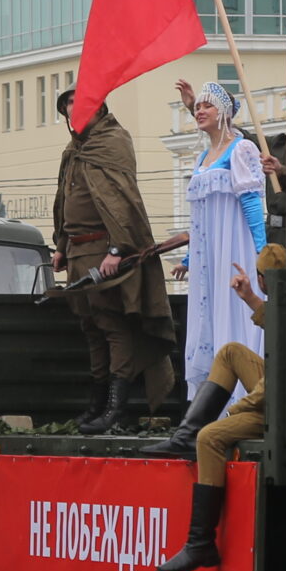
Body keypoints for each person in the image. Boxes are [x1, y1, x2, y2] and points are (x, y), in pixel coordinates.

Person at [140, 246, 286, 571]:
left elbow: (271, 387)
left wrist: (239, 410)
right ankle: (184, 437)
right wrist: (250, 297)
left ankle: (200, 542)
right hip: (278, 395)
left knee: (210, 438)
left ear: (263, 279)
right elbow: (275, 326)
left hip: (277, 405)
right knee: (231, 352)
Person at [52, 89, 179, 435]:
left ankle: (115, 410)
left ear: (98, 108)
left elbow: (121, 203)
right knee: (91, 328)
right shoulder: (74, 150)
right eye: (68, 110)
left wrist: (117, 249)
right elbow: (66, 199)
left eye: (78, 106)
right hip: (77, 252)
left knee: (113, 327)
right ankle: (97, 405)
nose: (72, 114)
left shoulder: (112, 142)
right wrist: (62, 246)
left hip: (103, 251)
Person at [172, 78, 266, 387]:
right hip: (209, 254)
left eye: (206, 105)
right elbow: (200, 216)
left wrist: (261, 250)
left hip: (234, 244)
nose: (199, 111)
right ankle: (214, 392)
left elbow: (252, 202)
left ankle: (242, 390)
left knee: (235, 308)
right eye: (196, 106)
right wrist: (189, 258)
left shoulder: (242, 149)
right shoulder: (202, 158)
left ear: (224, 111)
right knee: (208, 314)